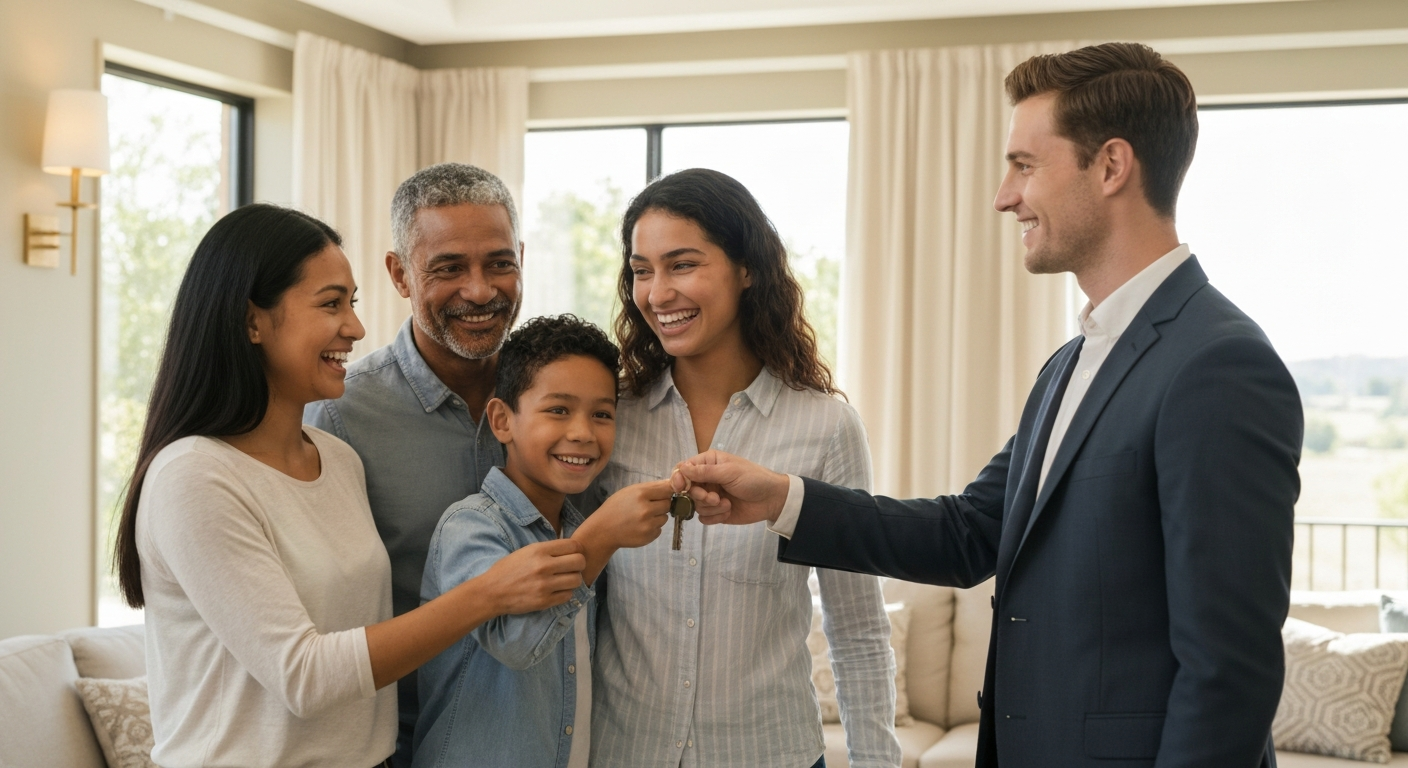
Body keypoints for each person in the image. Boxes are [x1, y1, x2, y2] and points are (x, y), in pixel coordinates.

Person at [674, 43, 1303, 768]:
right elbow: (969, 532)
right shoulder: (1073, 363)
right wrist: (782, 497)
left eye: (1025, 165)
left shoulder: (1219, 365)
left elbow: (1230, 672)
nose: (1005, 195)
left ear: (1111, 166)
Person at [113, 204, 588, 768]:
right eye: (331, 304)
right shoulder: (194, 476)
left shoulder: (337, 459)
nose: (356, 328)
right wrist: (490, 593)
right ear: (251, 321)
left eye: (353, 303)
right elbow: (304, 675)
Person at [591, 168, 902, 768]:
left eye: (682, 264)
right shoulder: (612, 419)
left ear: (747, 268)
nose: (657, 293)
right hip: (624, 751)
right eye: (641, 270)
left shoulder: (825, 428)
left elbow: (858, 629)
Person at [304, 163, 525, 764]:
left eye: (499, 262)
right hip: (406, 746)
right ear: (400, 274)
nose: (479, 290)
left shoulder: (562, 398)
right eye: (448, 267)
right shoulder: (338, 415)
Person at [413, 315, 674, 768]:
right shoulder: (471, 527)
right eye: (558, 409)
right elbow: (518, 642)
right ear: (502, 420)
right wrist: (602, 536)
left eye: (602, 414)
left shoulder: (578, 526)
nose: (582, 433)